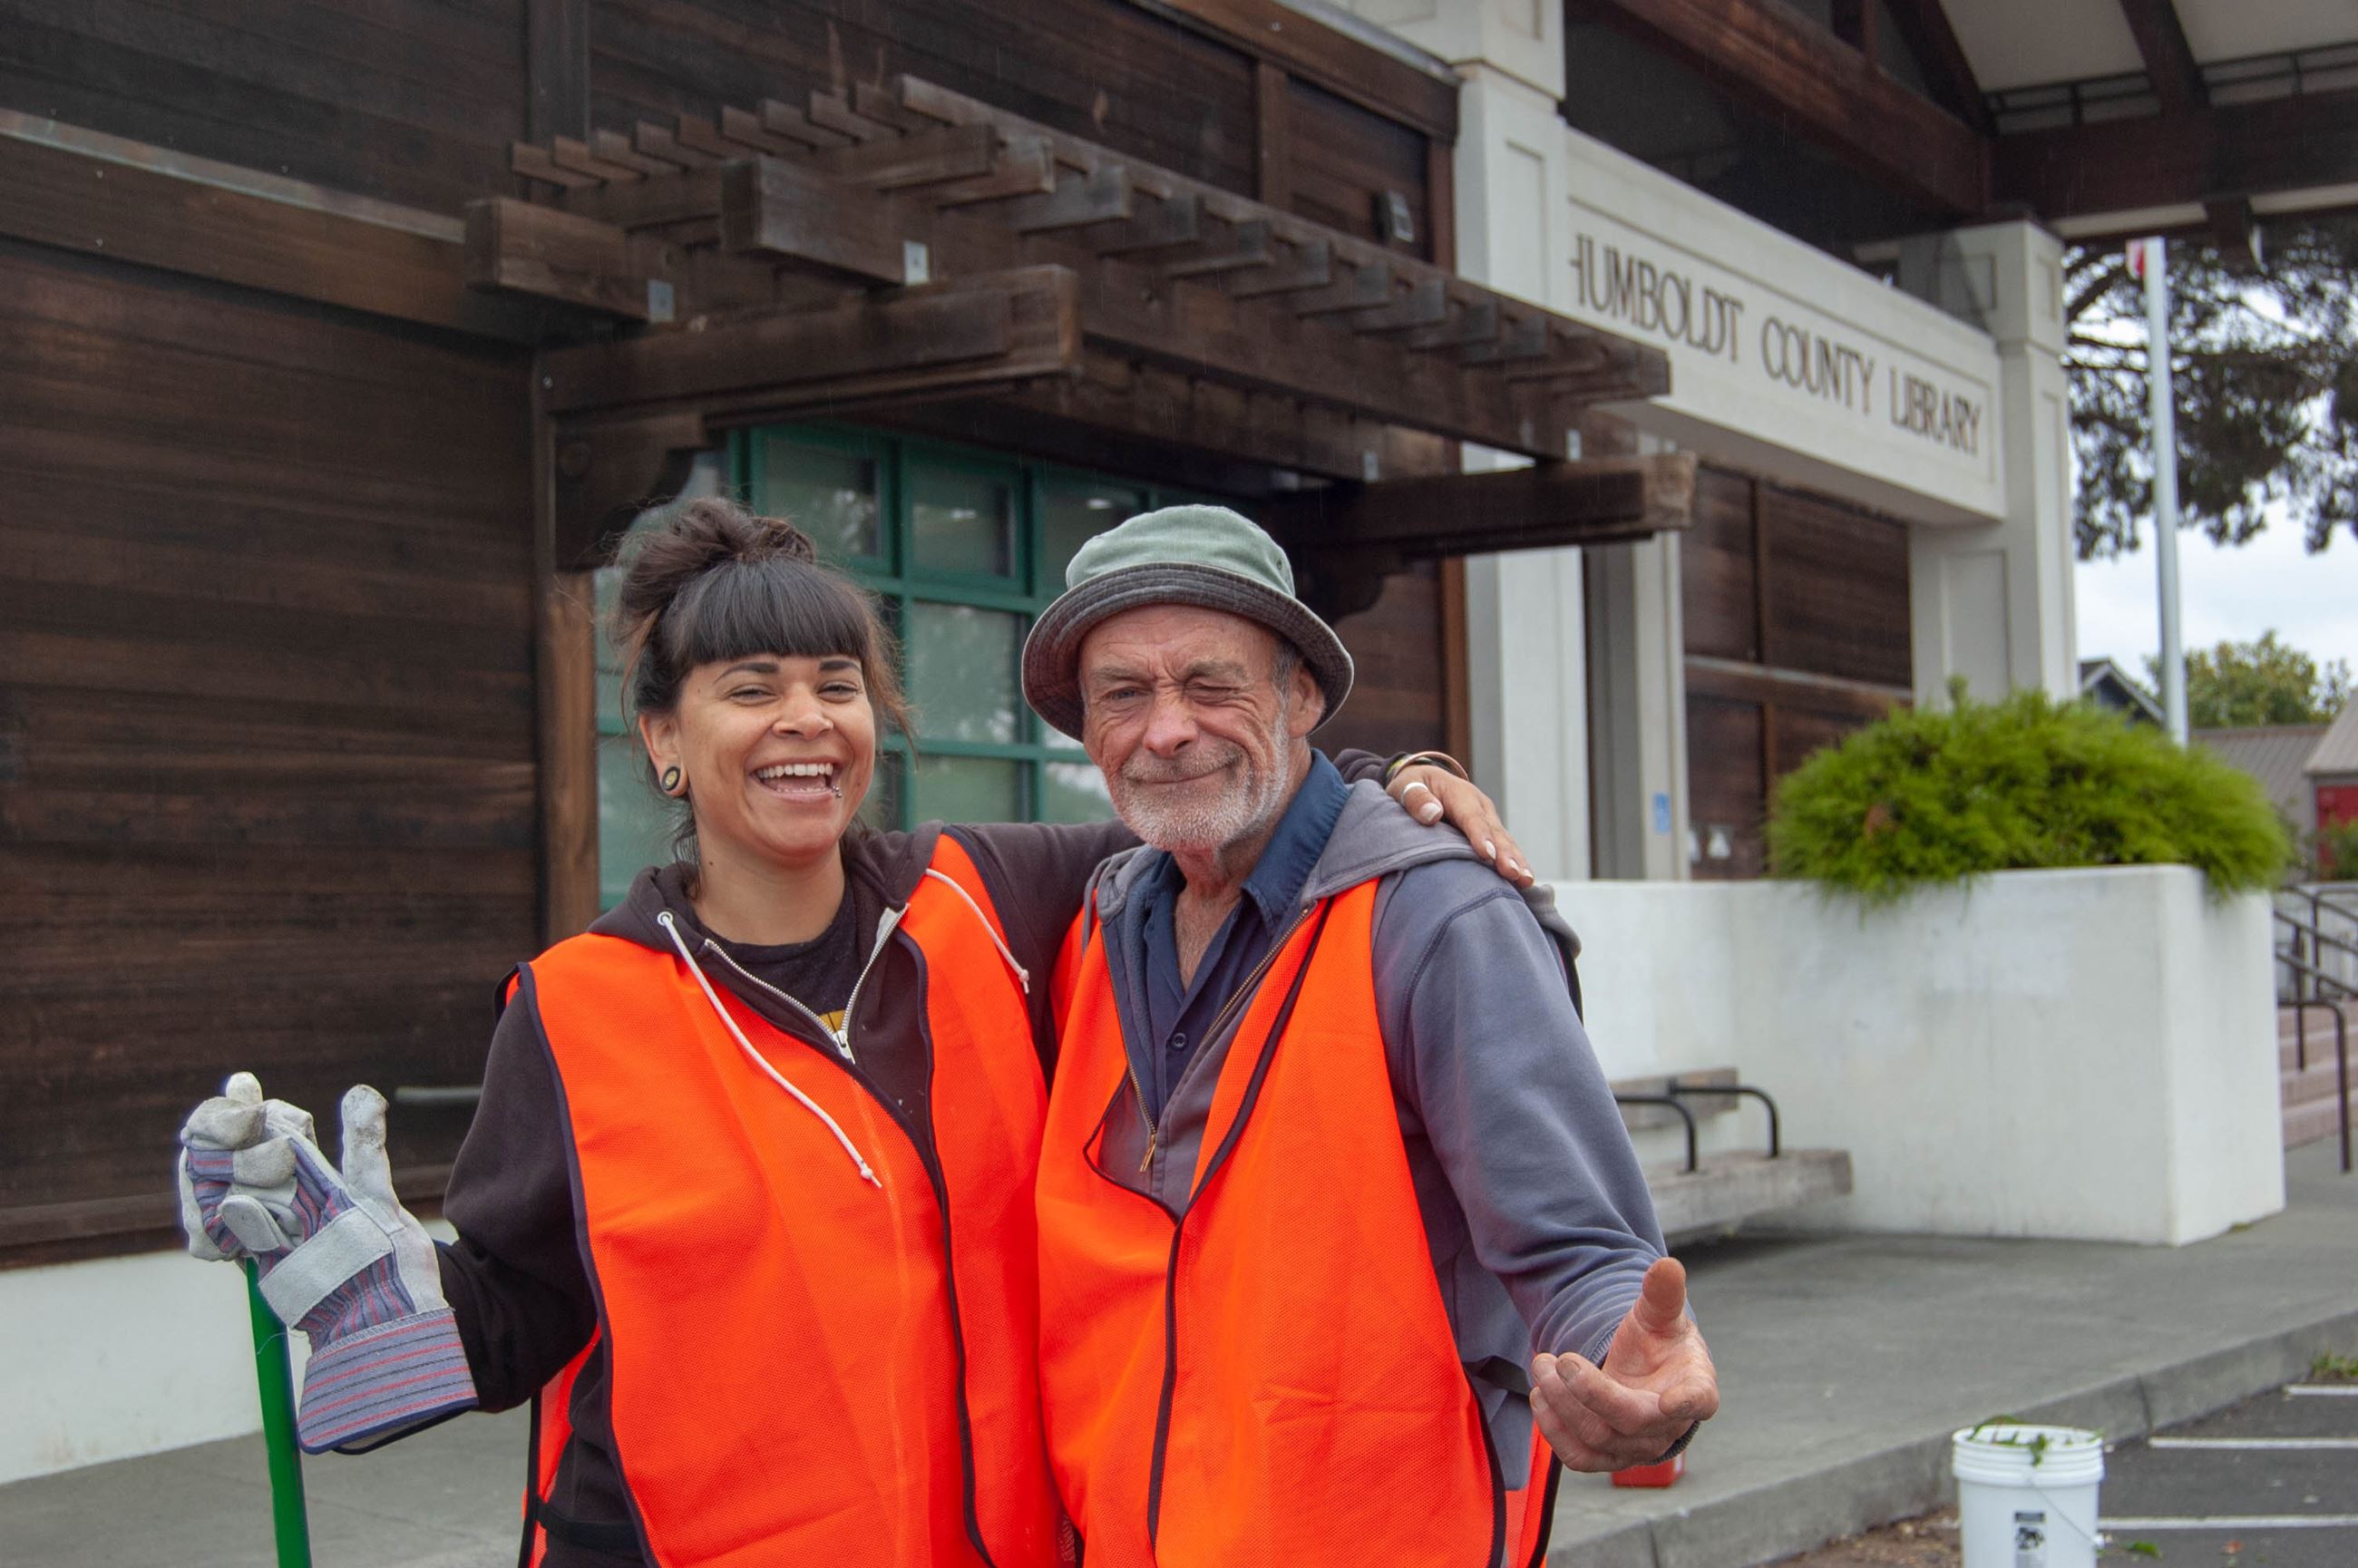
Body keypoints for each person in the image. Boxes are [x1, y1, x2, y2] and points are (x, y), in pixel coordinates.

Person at [173, 498, 1525, 1568]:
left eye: (836, 683)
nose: (805, 721)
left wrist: (1393, 784)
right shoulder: (578, 1007)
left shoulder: (992, 897)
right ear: (664, 738)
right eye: (749, 687)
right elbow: (520, 1312)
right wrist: (372, 1291)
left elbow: (1219, 794)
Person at [1023, 504, 1720, 1568]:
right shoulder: (1100, 918)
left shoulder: (1437, 915)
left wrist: (1633, 1374)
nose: (1165, 729)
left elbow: (1577, 1245)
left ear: (1300, 694)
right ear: (1085, 728)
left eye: (1210, 684)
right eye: (1123, 693)